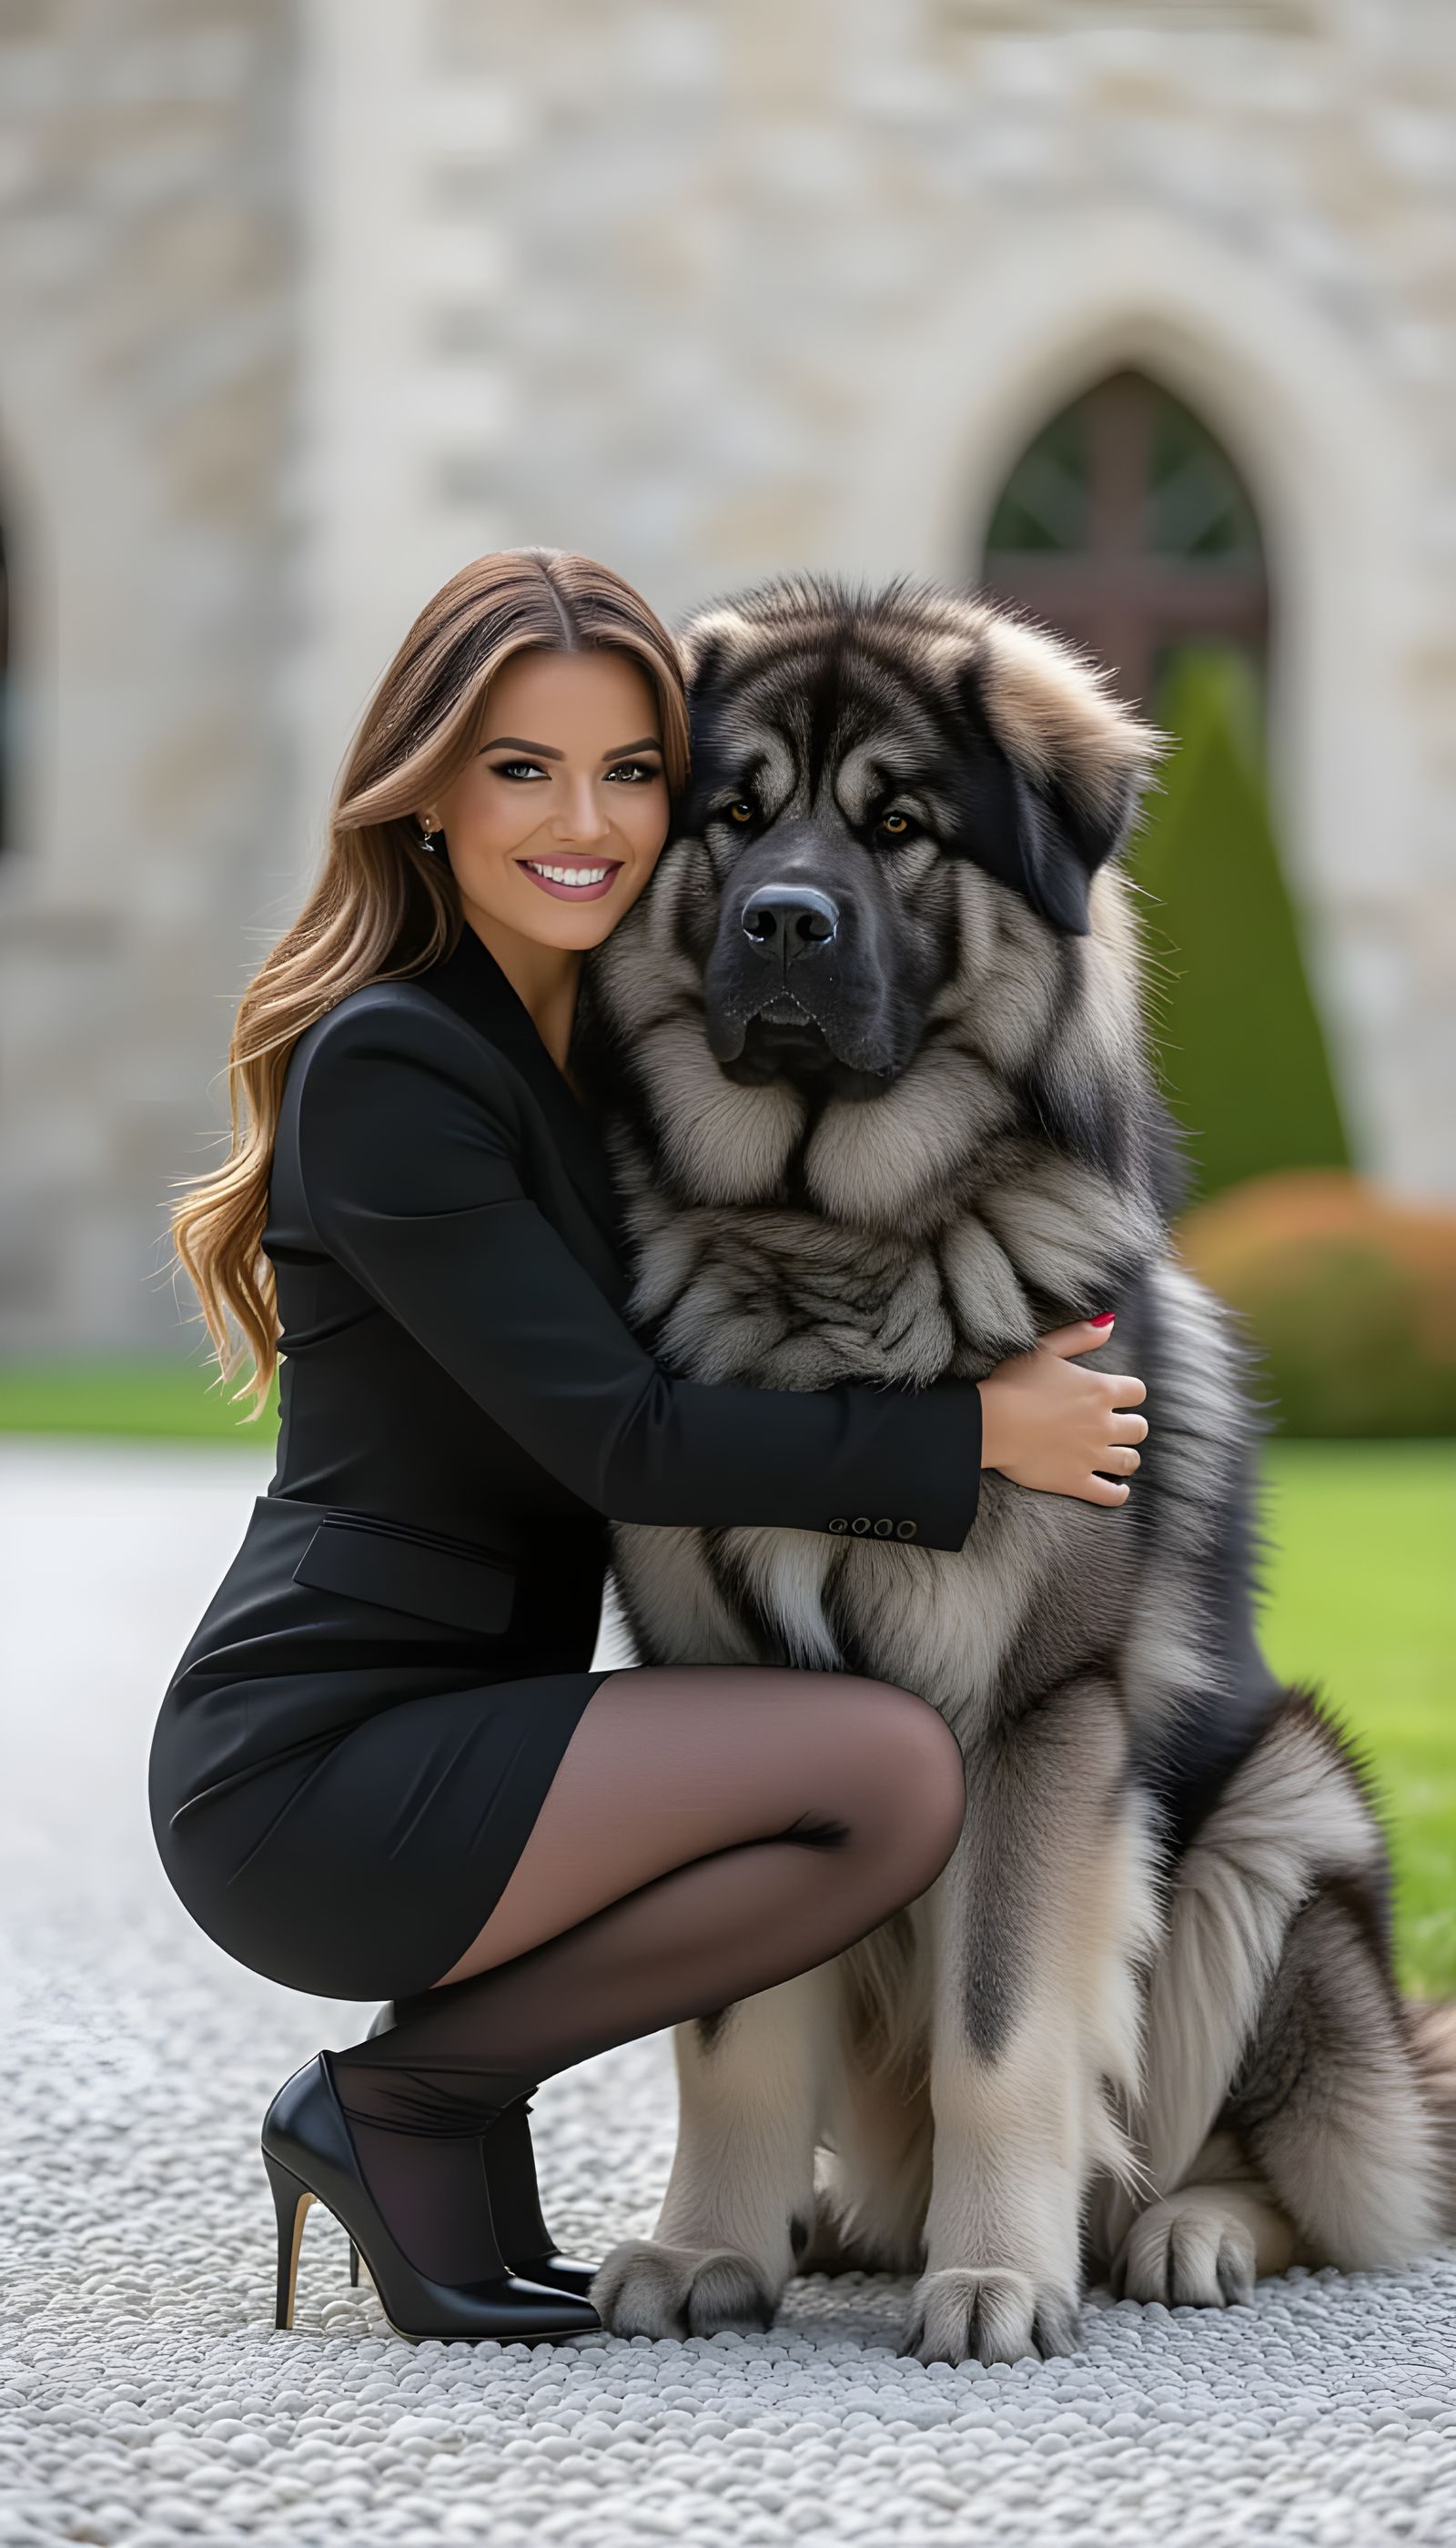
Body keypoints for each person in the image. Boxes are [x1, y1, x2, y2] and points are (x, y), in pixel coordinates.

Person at [150, 547, 1150, 2348]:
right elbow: (625, 1437)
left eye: (627, 773)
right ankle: (406, 2099)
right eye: (520, 768)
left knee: (865, 1761)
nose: (586, 817)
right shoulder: (400, 1063)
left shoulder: (580, 1074)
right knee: (880, 1773)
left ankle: (430, 2103)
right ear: (425, 795)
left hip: (483, 1733)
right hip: (321, 1768)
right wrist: (974, 1426)